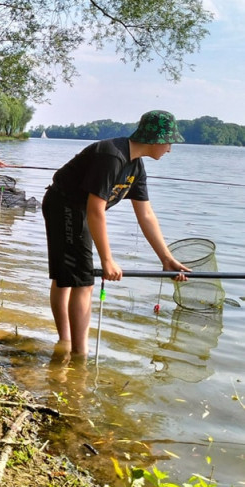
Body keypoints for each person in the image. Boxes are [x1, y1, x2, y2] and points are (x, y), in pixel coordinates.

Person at [41, 110, 190, 359]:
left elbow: (146, 215)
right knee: (82, 282)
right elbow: (96, 209)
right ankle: (79, 354)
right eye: (169, 142)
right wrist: (107, 259)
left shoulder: (136, 166)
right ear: (155, 139)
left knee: (69, 278)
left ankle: (65, 344)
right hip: (64, 206)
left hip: (80, 210)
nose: (169, 149)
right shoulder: (112, 155)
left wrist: (166, 258)